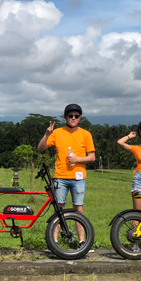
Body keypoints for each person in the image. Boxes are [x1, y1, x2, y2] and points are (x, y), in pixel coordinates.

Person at [37, 103, 95, 249]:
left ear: (80, 118)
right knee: (59, 209)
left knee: (78, 209)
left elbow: (92, 157)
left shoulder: (85, 134)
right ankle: (54, 242)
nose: (73, 118)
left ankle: (82, 241)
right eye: (70, 116)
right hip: (60, 177)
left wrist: (77, 159)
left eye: (76, 116)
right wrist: (47, 134)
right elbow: (41, 148)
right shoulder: (57, 132)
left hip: (78, 178)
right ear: (65, 117)